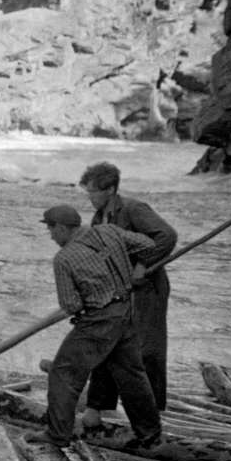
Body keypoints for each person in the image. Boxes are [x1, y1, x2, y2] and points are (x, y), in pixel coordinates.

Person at [28, 205, 162, 449]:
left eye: (50, 229)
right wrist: (135, 269)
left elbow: (71, 304)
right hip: (125, 312)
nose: (50, 236)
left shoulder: (64, 258)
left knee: (62, 373)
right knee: (132, 374)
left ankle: (58, 435)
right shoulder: (109, 231)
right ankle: (150, 434)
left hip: (98, 323)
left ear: (62, 227)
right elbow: (148, 245)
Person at [79, 162, 177, 421]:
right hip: (118, 289)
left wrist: (143, 264)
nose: (89, 196)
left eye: (93, 191)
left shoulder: (134, 210)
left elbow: (166, 236)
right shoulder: (99, 218)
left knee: (147, 349)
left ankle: (151, 413)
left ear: (110, 189)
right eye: (87, 191)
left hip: (148, 289)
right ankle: (97, 407)